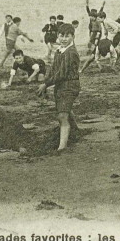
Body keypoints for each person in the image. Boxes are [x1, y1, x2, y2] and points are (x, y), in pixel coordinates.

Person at [36, 23, 81, 151]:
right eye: (61, 36)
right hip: (60, 85)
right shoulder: (59, 50)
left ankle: (62, 147)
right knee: (64, 108)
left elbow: (62, 73)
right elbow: (54, 69)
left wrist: (46, 84)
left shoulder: (71, 53)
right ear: (57, 36)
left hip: (70, 85)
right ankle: (76, 130)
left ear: (73, 36)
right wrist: (46, 80)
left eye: (67, 36)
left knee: (62, 115)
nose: (64, 39)